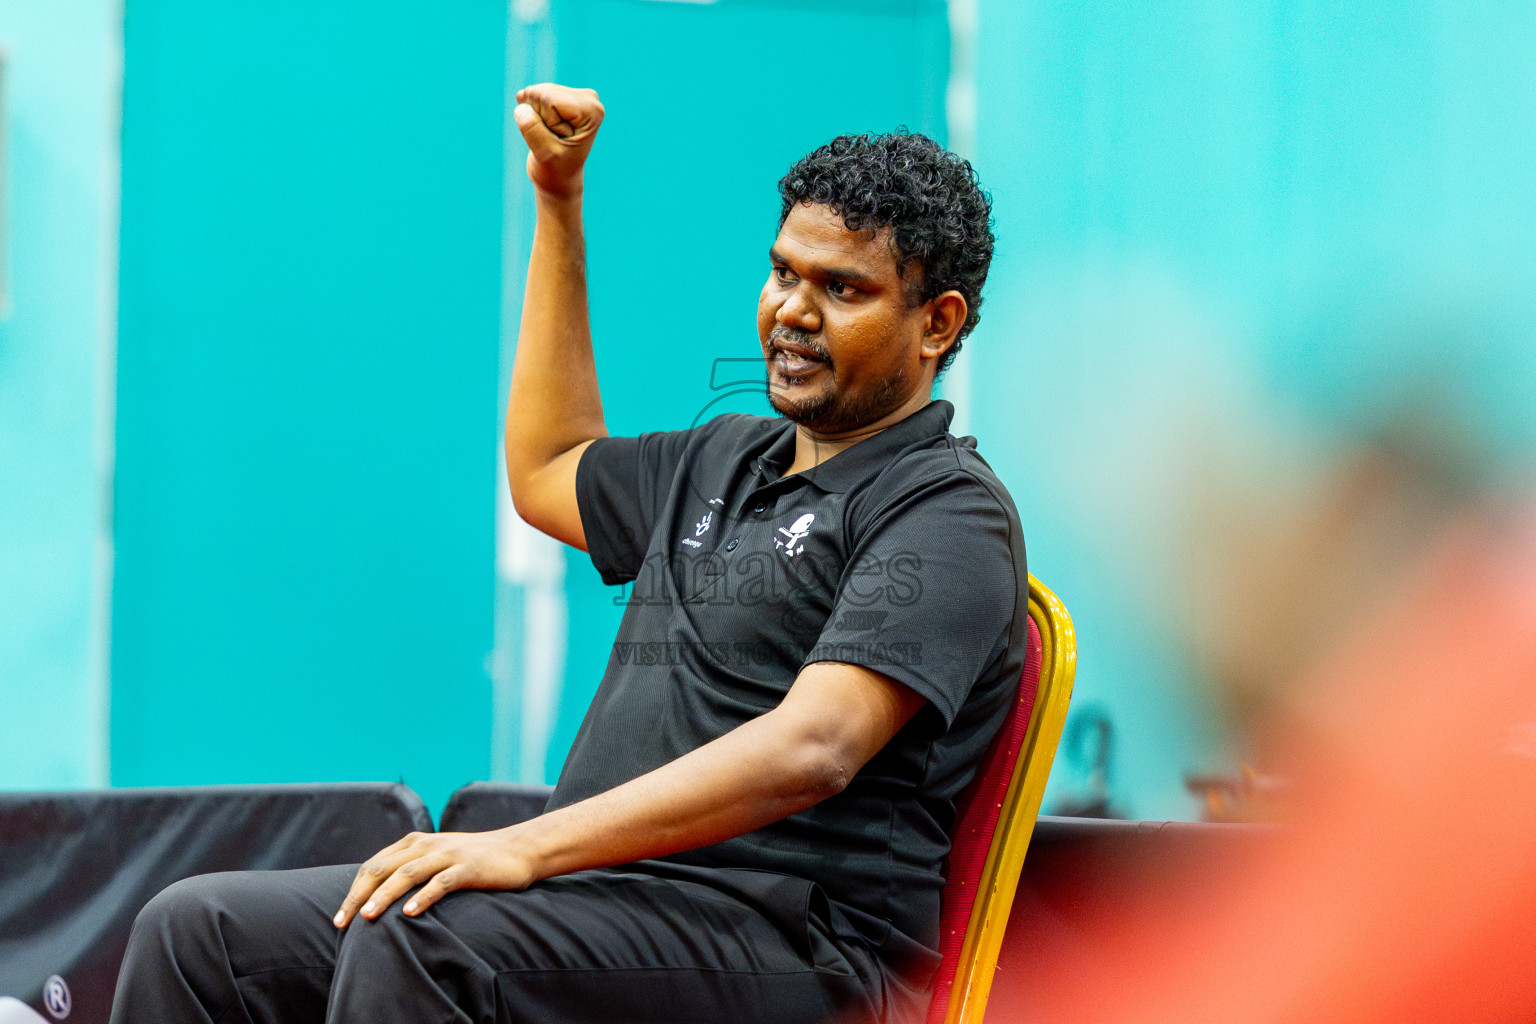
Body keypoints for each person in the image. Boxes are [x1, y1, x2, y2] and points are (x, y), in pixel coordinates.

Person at [109, 83, 1025, 1024]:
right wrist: (558, 195)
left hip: (799, 950)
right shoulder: (724, 454)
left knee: (420, 940)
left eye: (842, 289)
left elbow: (817, 746)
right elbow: (547, 466)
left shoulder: (947, 511)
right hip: (608, 901)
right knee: (199, 932)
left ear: (938, 323)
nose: (792, 310)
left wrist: (530, 847)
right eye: (784, 271)